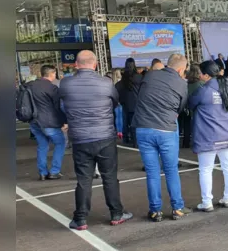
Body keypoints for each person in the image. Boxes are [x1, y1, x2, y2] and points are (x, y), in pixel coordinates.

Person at [59, 50, 132, 230]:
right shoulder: (106, 83)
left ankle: (81, 219)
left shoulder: (66, 84)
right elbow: (114, 103)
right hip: (105, 136)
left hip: (80, 138)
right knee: (110, 177)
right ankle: (116, 213)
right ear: (95, 64)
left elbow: (61, 106)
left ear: (76, 64)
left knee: (84, 179)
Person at [133, 53, 190, 222]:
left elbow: (141, 97)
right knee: (171, 170)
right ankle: (177, 208)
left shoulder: (150, 75)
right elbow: (180, 107)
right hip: (166, 129)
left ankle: (155, 211)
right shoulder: (181, 83)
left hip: (143, 128)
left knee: (152, 172)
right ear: (181, 69)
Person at [189, 61, 228, 211]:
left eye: (200, 73)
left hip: (208, 135)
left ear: (205, 75)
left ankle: (207, 202)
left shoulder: (203, 90)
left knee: (205, 169)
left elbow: (190, 104)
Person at [28, 64, 67, 180]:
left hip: (34, 121)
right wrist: (64, 121)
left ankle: (43, 173)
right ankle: (54, 171)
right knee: (60, 143)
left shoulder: (30, 86)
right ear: (52, 74)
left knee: (42, 145)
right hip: (49, 122)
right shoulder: (52, 88)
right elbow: (58, 107)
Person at [182, 65, 205, 148]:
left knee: (186, 126)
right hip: (198, 108)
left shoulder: (185, 83)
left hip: (186, 107)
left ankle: (186, 142)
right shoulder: (202, 84)